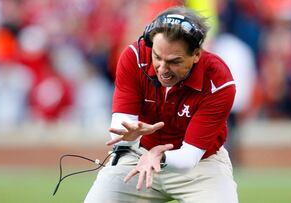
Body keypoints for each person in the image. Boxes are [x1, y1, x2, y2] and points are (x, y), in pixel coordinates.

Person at [84, 6, 238, 203]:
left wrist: (160, 156)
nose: (162, 69)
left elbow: (188, 157)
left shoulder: (219, 82)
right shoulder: (134, 57)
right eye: (157, 57)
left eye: (174, 61)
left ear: (197, 54)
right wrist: (129, 137)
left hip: (201, 165)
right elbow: (119, 133)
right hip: (138, 155)